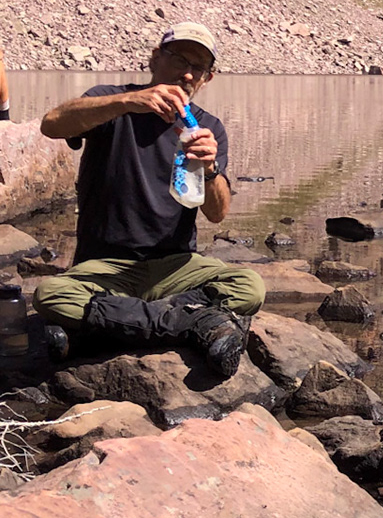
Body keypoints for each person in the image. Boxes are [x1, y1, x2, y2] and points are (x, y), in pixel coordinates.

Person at [33, 23, 264, 376]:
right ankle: (192, 323)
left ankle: (106, 327)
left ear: (207, 78)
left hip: (175, 266)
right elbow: (52, 124)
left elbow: (217, 214)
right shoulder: (112, 101)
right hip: (105, 266)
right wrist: (127, 102)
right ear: (155, 58)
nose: (186, 72)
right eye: (178, 59)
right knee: (49, 294)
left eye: (197, 67)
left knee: (250, 286)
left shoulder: (208, 128)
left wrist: (210, 169)